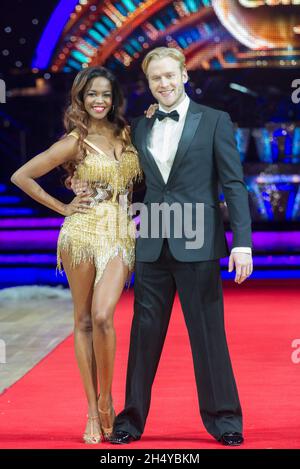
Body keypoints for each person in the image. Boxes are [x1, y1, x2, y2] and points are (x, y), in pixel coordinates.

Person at [109, 47, 253, 446]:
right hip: (153, 242)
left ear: (184, 75)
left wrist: (242, 243)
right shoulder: (139, 126)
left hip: (200, 242)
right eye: (156, 78)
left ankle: (225, 420)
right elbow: (135, 183)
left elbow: (234, 185)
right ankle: (130, 421)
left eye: (170, 75)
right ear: (149, 83)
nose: (164, 84)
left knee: (208, 335)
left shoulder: (215, 121)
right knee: (144, 337)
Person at [10, 66, 142, 444]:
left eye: (105, 94)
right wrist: (62, 207)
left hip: (119, 234)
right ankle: (91, 409)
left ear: (114, 98)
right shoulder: (75, 141)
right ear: (81, 100)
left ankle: (107, 399)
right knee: (83, 320)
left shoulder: (128, 134)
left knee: (103, 316)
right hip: (81, 234)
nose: (99, 101)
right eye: (91, 95)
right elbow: (22, 176)